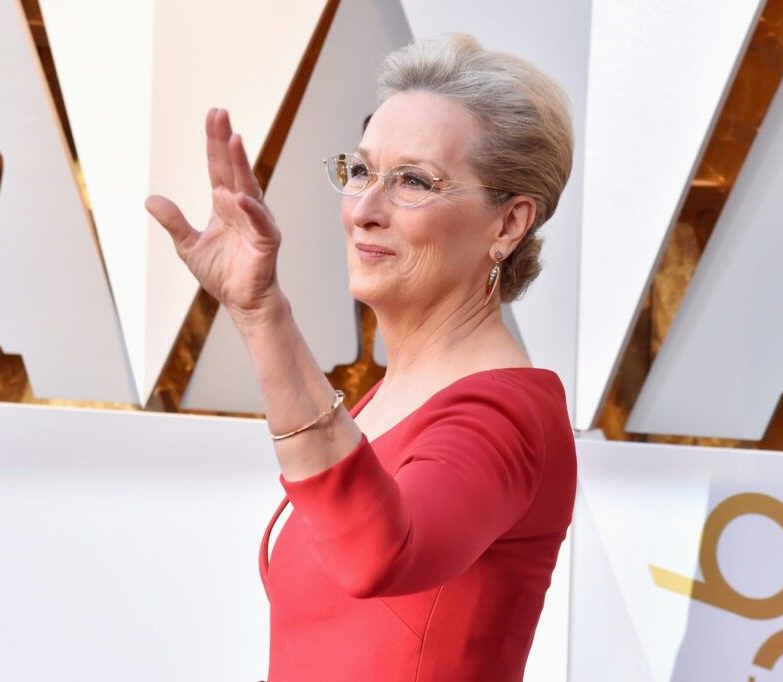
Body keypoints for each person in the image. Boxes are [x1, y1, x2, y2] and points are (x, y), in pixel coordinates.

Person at [146, 33, 576, 682]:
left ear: (508, 225)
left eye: (412, 181)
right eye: (362, 172)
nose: (364, 211)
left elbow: (378, 552)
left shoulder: (504, 415)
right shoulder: (392, 394)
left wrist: (264, 314)